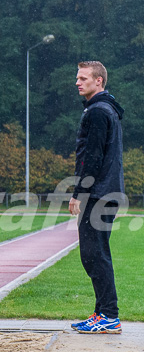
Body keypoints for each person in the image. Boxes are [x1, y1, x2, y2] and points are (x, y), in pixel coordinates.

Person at [69, 61, 125, 334]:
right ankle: (101, 312)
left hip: (100, 193)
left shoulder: (98, 111)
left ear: (98, 81)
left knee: (95, 254)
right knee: (94, 254)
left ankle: (110, 316)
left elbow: (92, 158)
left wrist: (79, 193)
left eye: (83, 78)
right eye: (77, 78)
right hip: (105, 190)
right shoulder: (103, 109)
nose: (78, 82)